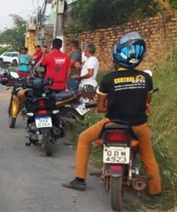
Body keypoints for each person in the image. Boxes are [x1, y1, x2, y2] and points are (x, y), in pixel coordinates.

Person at [63, 32, 161, 196]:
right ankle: (156, 193)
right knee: (149, 159)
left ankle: (79, 180)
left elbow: (101, 107)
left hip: (112, 123)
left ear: (117, 55)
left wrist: (111, 105)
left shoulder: (108, 79)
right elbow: (146, 104)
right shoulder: (146, 78)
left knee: (84, 138)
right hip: (139, 125)